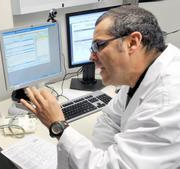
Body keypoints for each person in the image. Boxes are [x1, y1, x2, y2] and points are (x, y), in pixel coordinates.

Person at [21, 5, 180, 169]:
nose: (91, 56)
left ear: (132, 42)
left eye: (99, 45)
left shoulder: (168, 99)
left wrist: (58, 125)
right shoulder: (140, 73)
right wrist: (101, 158)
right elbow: (110, 119)